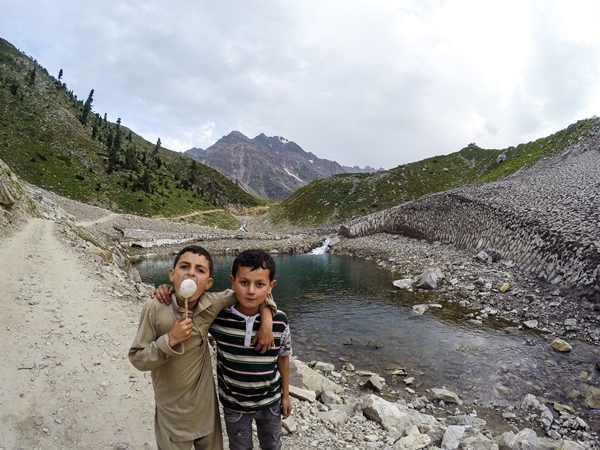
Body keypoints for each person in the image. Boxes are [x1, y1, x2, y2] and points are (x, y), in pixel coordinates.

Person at [129, 245, 276, 450]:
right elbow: (137, 358)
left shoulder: (212, 304)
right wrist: (170, 339)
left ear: (208, 283)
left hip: (206, 409)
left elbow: (253, 293)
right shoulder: (154, 308)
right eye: (184, 266)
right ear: (172, 274)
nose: (191, 273)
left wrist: (267, 319)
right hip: (171, 412)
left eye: (200, 270)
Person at [210, 249, 292, 450]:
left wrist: (286, 395)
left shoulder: (280, 320)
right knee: (239, 447)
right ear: (232, 281)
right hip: (234, 404)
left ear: (270, 286)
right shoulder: (218, 318)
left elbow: (283, 357)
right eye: (244, 282)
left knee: (272, 445)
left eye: (260, 284)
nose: (251, 291)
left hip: (270, 402)